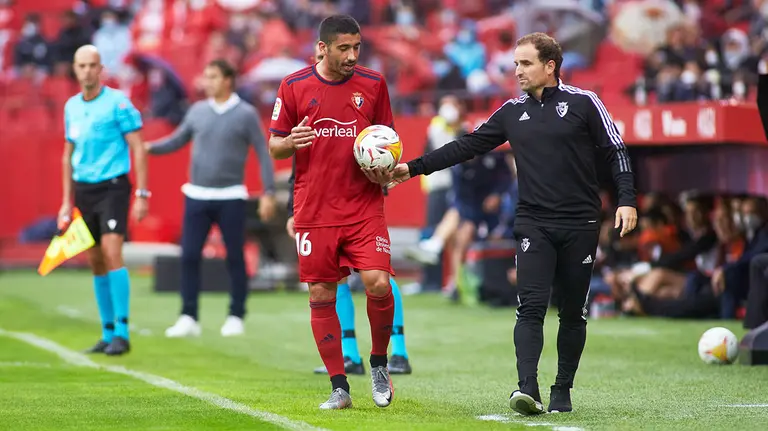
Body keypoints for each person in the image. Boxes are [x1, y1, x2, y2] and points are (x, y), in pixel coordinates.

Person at [369, 32, 638, 415]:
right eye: (515, 63)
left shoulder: (584, 103)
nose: (517, 71)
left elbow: (616, 150)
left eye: (525, 63)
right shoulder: (511, 112)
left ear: (550, 66)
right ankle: (526, 387)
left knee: (573, 311)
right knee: (529, 306)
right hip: (533, 222)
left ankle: (562, 388)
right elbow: (467, 145)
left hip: (581, 221)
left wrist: (627, 200)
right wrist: (412, 168)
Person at [269, 14, 397, 410]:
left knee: (377, 283)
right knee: (322, 293)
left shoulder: (373, 84)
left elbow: (389, 140)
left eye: (357, 47)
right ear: (322, 47)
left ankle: (378, 363)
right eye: (344, 48)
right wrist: (291, 140)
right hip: (315, 208)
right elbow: (275, 147)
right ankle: (339, 386)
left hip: (363, 206)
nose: (352, 55)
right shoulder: (293, 86)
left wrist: (386, 168)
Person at [146, 59, 277, 337]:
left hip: (230, 196)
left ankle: (236, 314)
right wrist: (147, 148)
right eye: (206, 77)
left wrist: (268, 192)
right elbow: (177, 141)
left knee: (235, 258)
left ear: (228, 80)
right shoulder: (197, 111)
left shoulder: (245, 114)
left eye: (213, 76)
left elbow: (263, 153)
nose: (207, 82)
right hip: (197, 194)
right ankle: (188, 316)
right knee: (190, 256)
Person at [59, 45, 149, 356]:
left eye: (92, 65)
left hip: (113, 187)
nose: (86, 71)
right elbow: (68, 156)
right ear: (75, 68)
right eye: (81, 65)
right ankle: (107, 331)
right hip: (84, 190)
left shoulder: (118, 104)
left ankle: (123, 332)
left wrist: (142, 193)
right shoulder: (71, 107)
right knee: (95, 259)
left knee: (112, 252)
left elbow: (138, 147)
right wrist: (65, 202)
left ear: (101, 69)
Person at [285, 161, 412, 375]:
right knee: (333, 275)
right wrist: (293, 208)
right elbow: (301, 163)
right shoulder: (306, 127)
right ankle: (350, 354)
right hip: (321, 200)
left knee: (377, 273)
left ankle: (399, 352)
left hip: (361, 196)